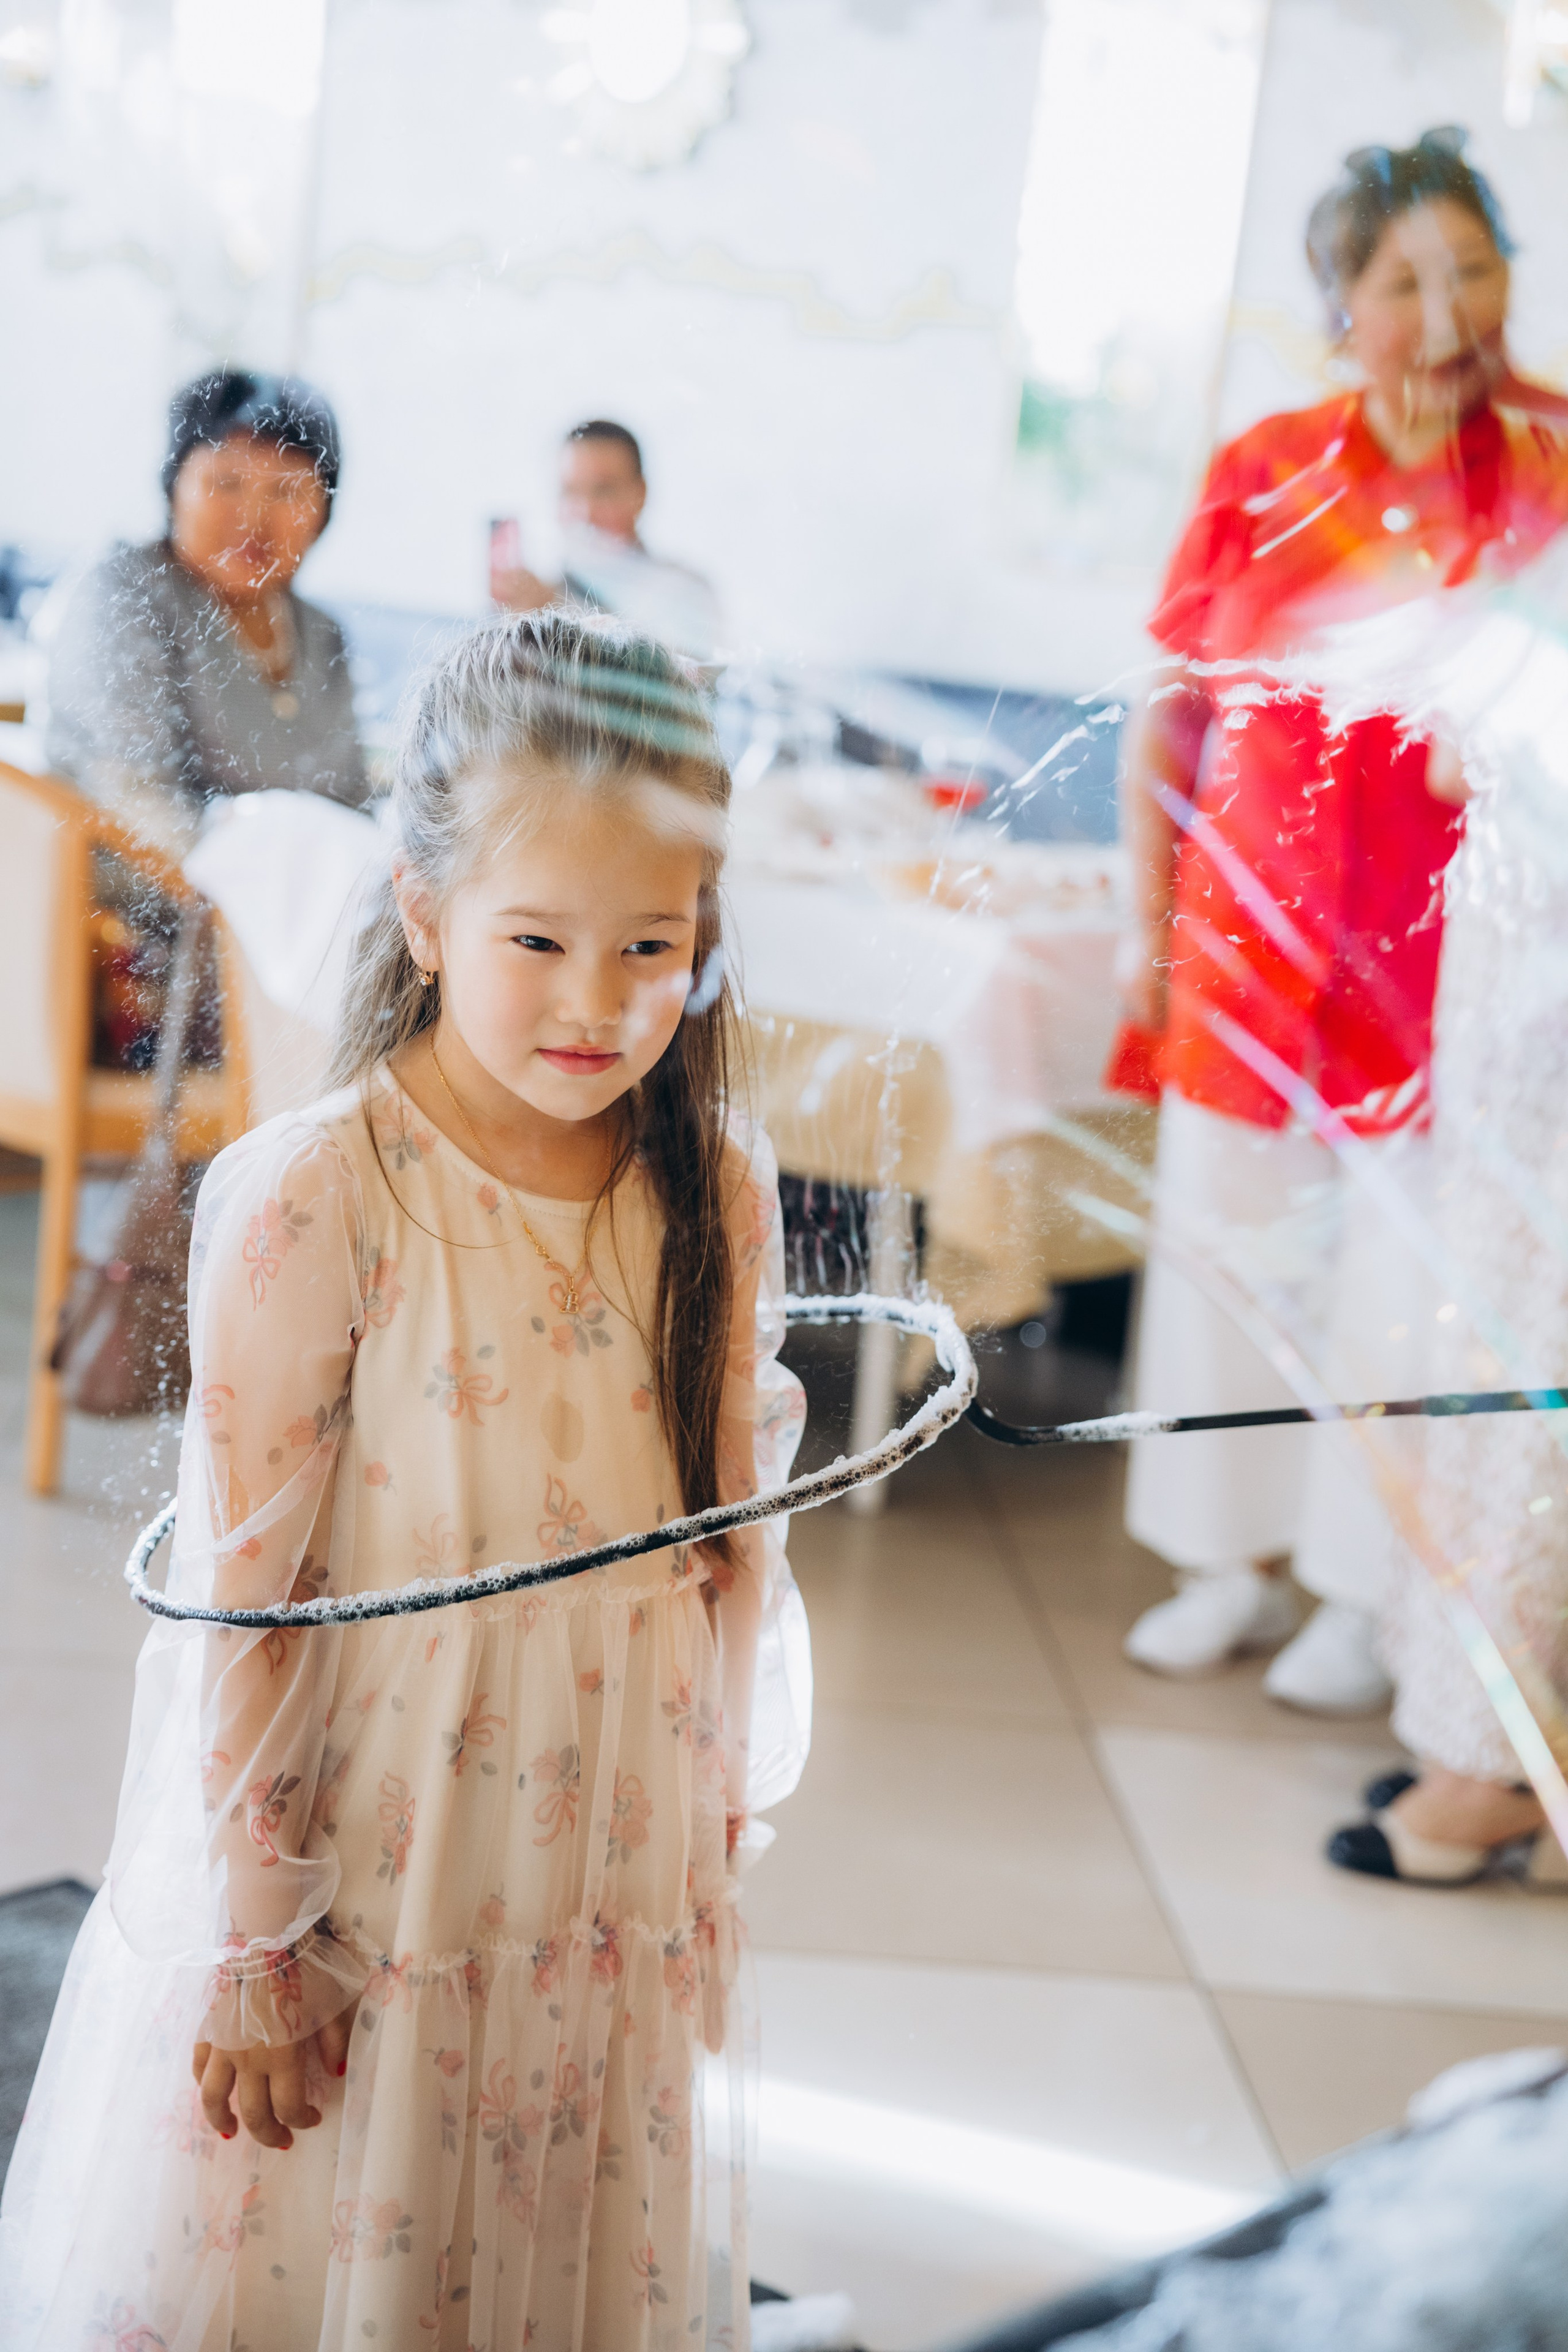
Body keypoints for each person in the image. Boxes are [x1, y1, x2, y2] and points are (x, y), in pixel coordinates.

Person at [0, 612, 810, 2347]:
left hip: (604, 1847)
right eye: (540, 939)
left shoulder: (715, 1187)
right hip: (384, 1848)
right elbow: (252, 1588)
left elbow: (734, 1543)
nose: (599, 1003)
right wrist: (261, 1936)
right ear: (427, 916)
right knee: (348, 2245)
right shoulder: (317, 1198)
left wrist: (712, 1845)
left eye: (652, 945)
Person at [1114, 129, 1568, 1703]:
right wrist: (1140, 915)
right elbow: (1164, 715)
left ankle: (1357, 1590)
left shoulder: (1554, 456)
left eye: (1473, 266)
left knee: (1392, 1287)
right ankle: (1216, 1557)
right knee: (1230, 1263)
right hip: (1247, 943)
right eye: (1402, 278)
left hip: (1454, 965)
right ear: (1340, 306)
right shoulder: (1264, 465)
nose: (1445, 307)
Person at [45, 368, 366, 853]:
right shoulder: (122, 595)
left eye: (286, 491)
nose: (254, 518)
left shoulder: (324, 634)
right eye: (228, 482)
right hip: (131, 911)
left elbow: (352, 804)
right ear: (175, 486)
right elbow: (134, 798)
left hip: (295, 914)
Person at [493, 419, 722, 661]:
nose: (584, 513)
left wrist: (555, 625)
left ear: (640, 494)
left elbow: (678, 684)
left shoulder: (685, 592)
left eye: (603, 491)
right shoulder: (538, 596)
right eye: (569, 492)